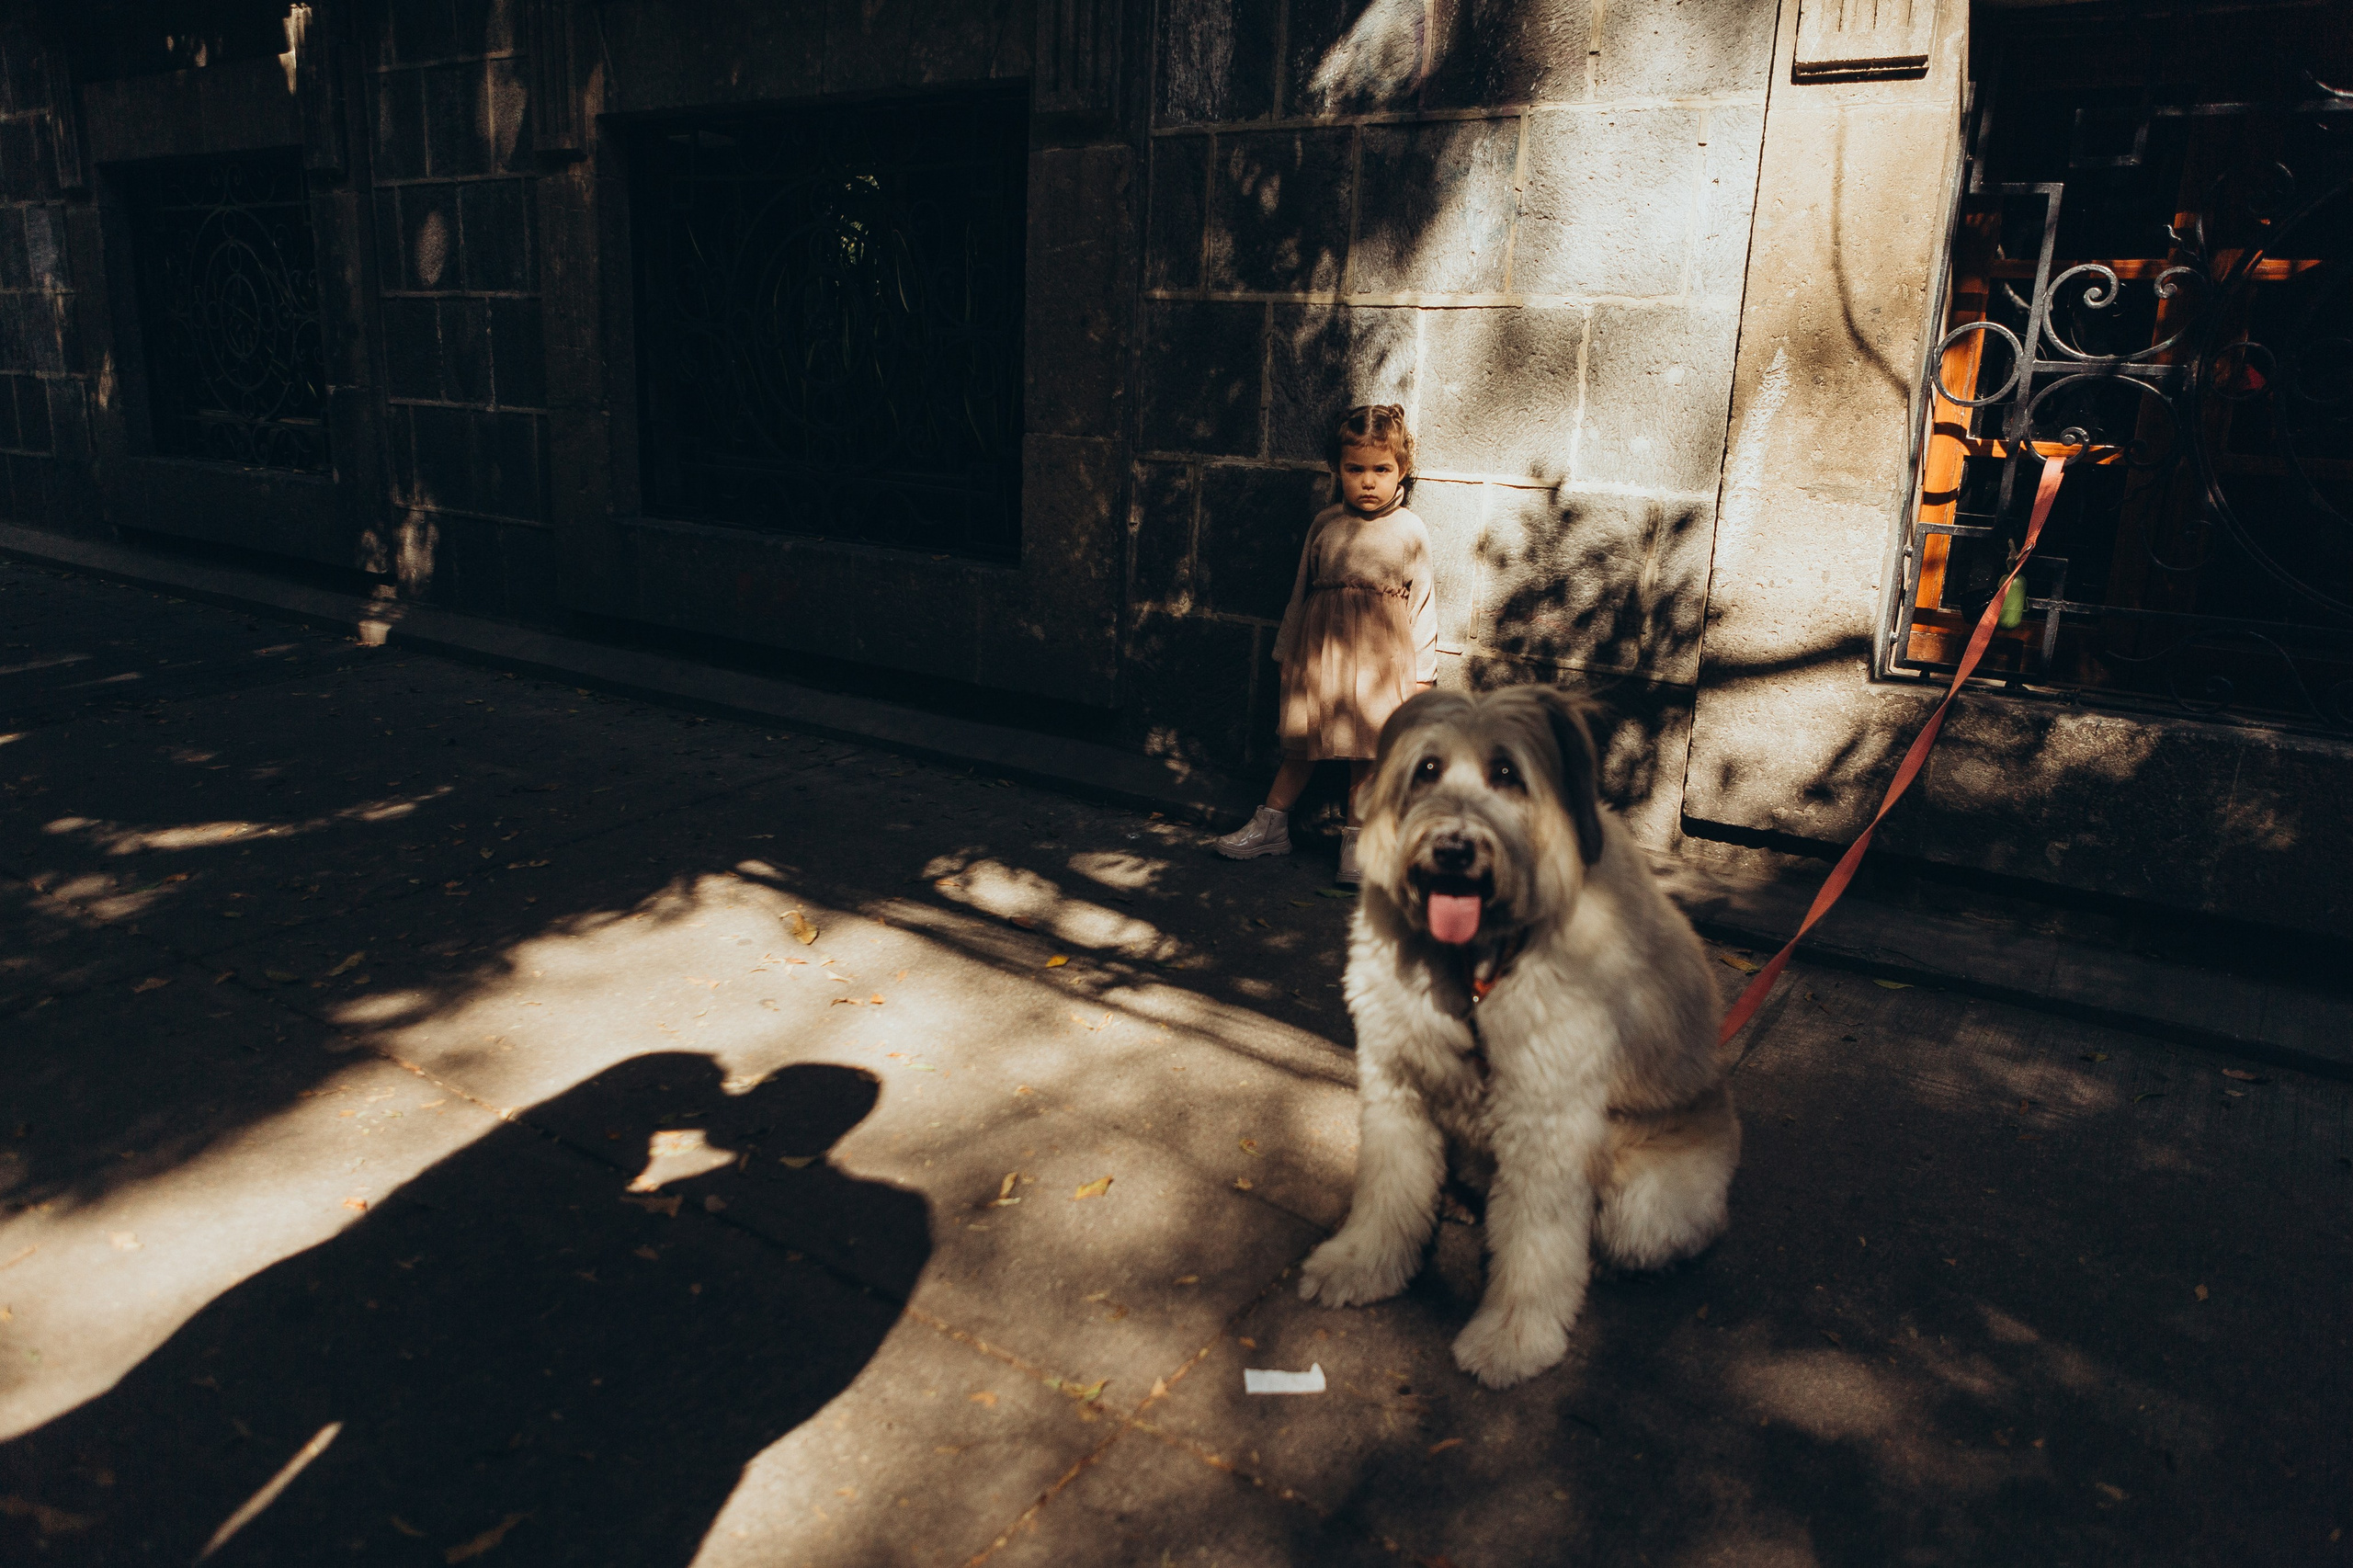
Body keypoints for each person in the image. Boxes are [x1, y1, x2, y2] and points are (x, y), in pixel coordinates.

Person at [1212, 403, 1438, 884]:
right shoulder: (1326, 524)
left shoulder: (1410, 531)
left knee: (1367, 753)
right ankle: (1270, 826)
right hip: (1323, 657)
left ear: (1402, 471)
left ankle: (1358, 844)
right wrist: (1286, 653)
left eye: (1382, 470)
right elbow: (1300, 593)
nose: (1368, 481)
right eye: (1355, 470)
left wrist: (1422, 676)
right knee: (1302, 745)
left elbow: (1422, 604)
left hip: (1382, 660)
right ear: (1337, 470)